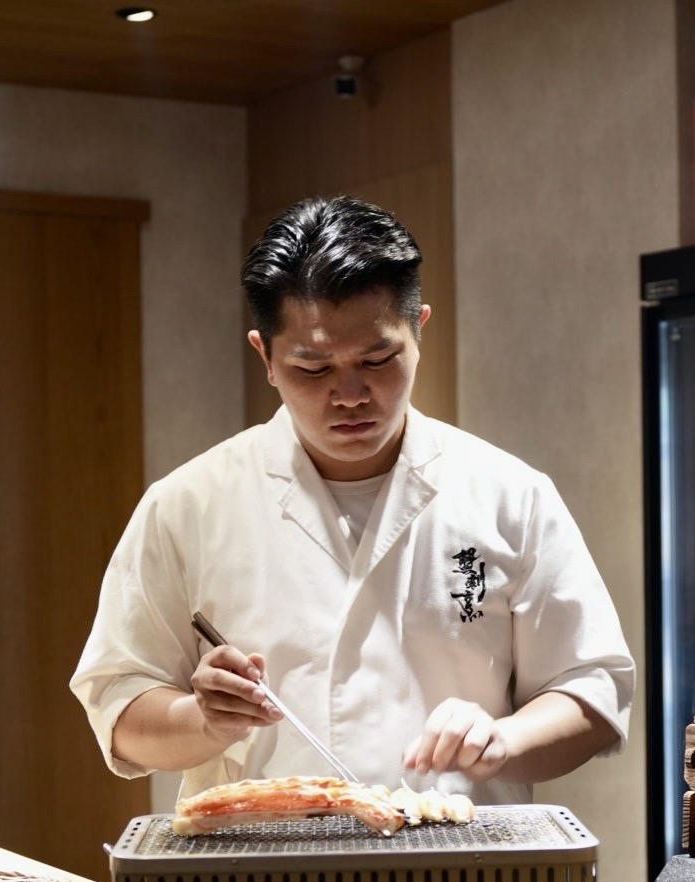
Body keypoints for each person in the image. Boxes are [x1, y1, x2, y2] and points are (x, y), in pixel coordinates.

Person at [71, 196, 633, 804]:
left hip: (459, 855)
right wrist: (204, 720)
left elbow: (591, 687)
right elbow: (120, 709)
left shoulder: (508, 494)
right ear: (265, 356)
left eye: (377, 359)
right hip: (259, 858)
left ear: (419, 330)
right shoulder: (188, 505)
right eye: (313, 369)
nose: (349, 394)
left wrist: (504, 740)